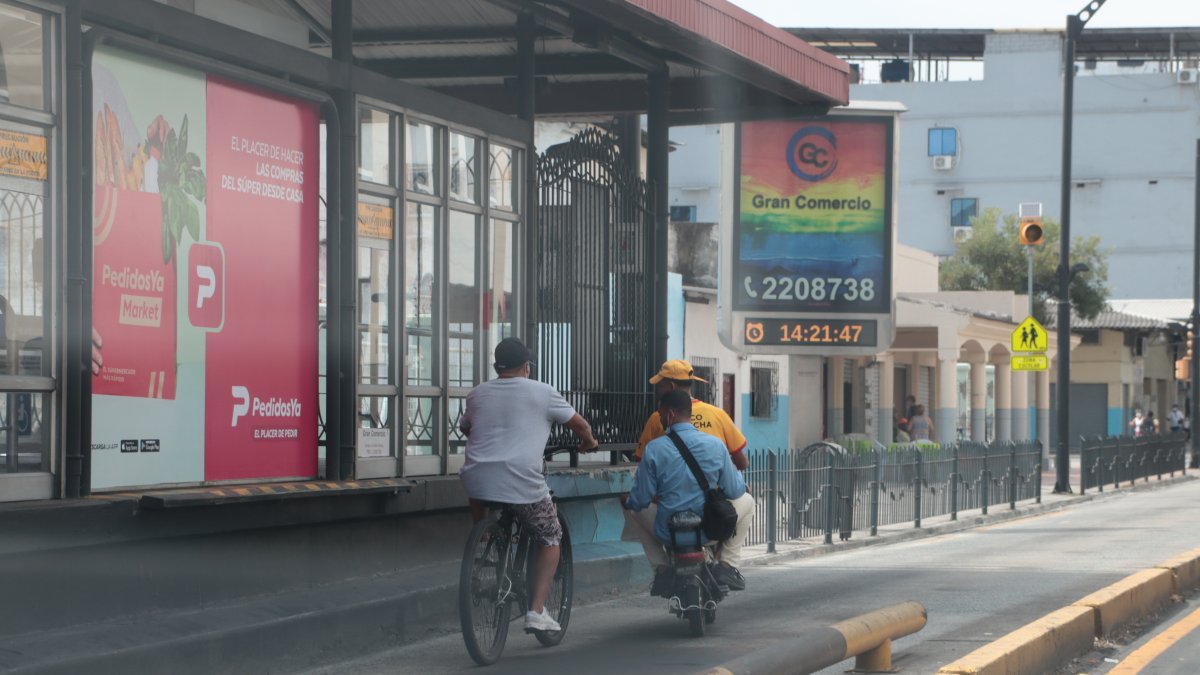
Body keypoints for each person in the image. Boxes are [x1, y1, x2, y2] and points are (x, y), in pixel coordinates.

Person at [458, 337, 599, 633]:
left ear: (497, 366)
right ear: (526, 366)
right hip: (520, 478)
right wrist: (589, 442)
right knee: (550, 536)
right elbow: (581, 425)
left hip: (477, 479)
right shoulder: (543, 392)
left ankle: (482, 533)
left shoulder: (477, 393)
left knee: (478, 481)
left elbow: (467, 427)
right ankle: (536, 611)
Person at [629, 360, 755, 578]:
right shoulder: (718, 416)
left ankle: (661, 569)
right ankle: (726, 564)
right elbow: (742, 464)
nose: (658, 390)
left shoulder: (656, 422)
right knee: (747, 499)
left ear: (671, 387)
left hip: (669, 522)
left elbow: (643, 479)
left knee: (634, 506)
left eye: (660, 385)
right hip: (710, 520)